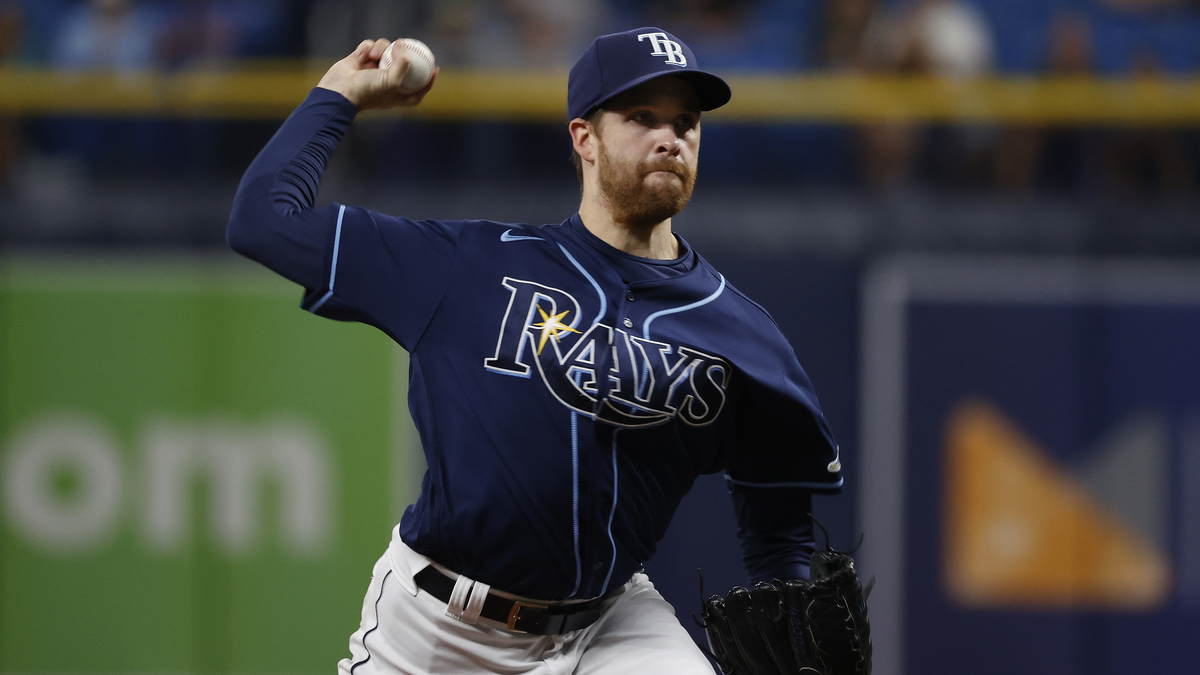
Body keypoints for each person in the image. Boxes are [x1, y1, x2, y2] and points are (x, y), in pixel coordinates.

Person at [227, 27, 842, 674]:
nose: (670, 137)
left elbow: (778, 516)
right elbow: (263, 220)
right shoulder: (465, 266)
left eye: (685, 122)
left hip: (611, 624)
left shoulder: (740, 332)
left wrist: (792, 625)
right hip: (440, 629)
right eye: (641, 117)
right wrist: (339, 94)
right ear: (585, 138)